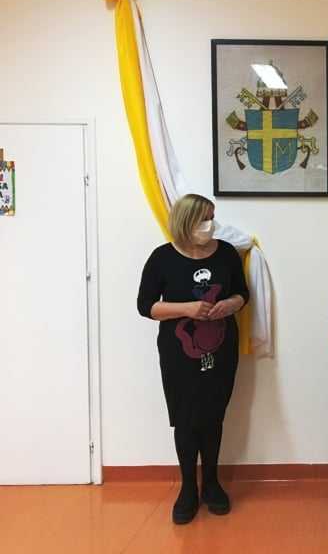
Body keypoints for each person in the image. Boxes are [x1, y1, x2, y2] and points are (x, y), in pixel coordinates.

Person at [137, 194, 249, 525]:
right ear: (186, 222)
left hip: (221, 349)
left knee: (213, 416)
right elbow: (146, 306)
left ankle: (211, 483)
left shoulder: (226, 253)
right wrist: (186, 308)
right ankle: (188, 488)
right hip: (179, 354)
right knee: (186, 419)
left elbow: (243, 293)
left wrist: (231, 304)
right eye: (203, 219)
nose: (210, 225)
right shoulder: (162, 258)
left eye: (212, 217)